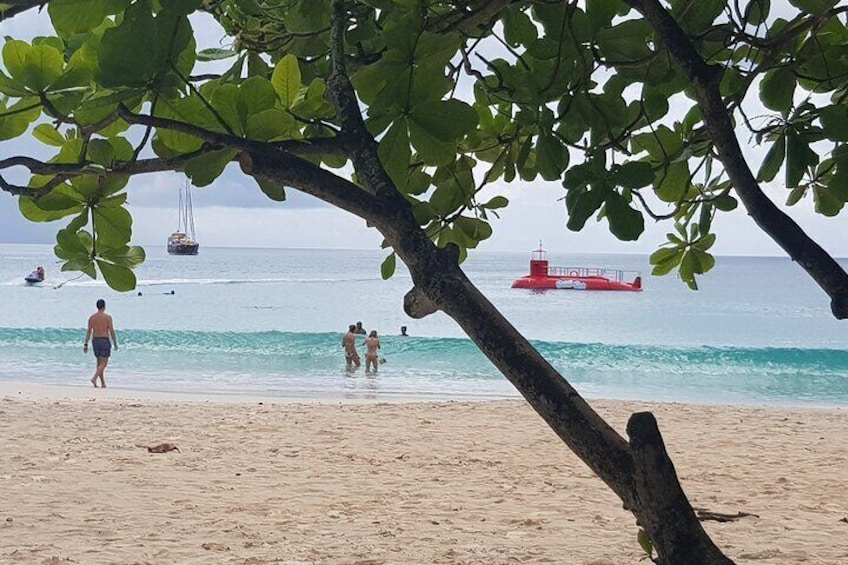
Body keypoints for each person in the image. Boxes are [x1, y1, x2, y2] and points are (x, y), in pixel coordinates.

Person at [83, 299, 118, 388]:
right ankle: (94, 378)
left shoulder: (92, 317)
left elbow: (88, 331)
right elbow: (111, 331)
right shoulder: (108, 317)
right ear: (104, 306)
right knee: (104, 363)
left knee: (99, 363)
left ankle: (102, 383)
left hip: (95, 340)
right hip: (104, 340)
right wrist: (115, 343)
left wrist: (86, 344)